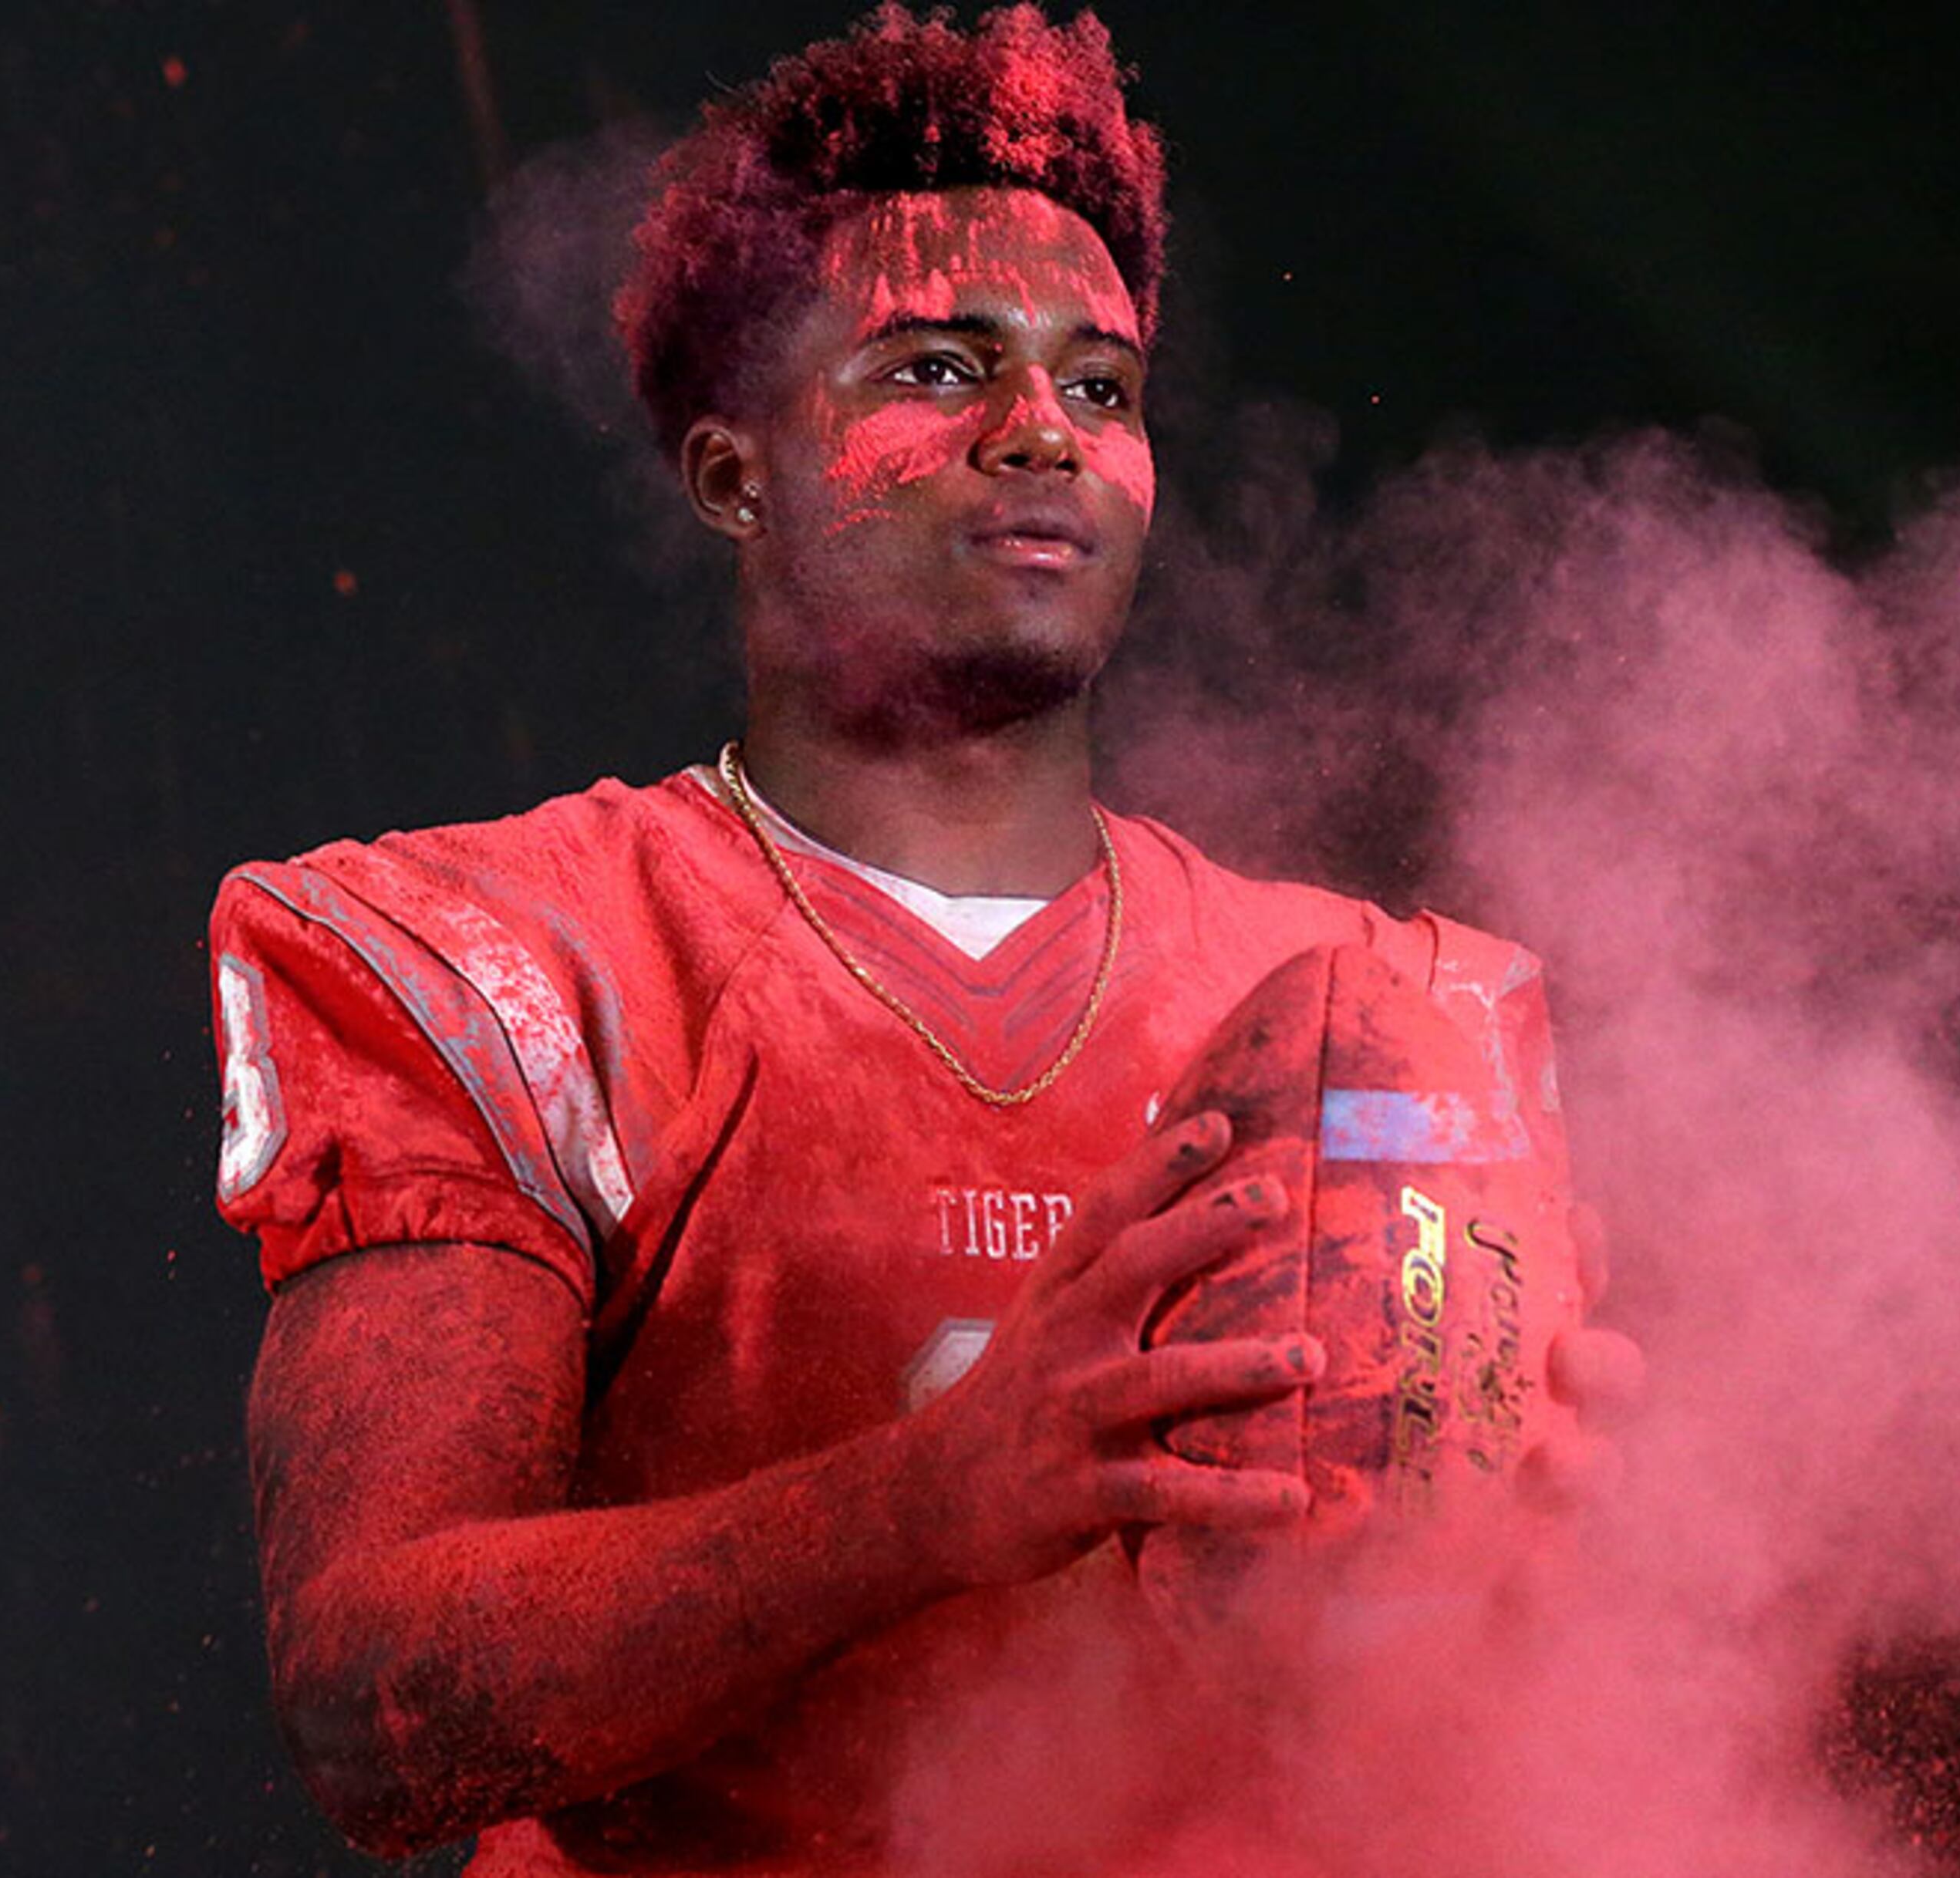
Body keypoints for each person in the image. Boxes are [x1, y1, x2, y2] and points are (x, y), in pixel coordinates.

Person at [206, 8, 1633, 1871]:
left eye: (1101, 388)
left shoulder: (1390, 1013)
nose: (1039, 427)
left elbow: (1469, 1736)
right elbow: (371, 1708)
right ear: (737, 477)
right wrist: (937, 1497)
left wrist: (1504, 1571)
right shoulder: (499, 954)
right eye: (939, 367)